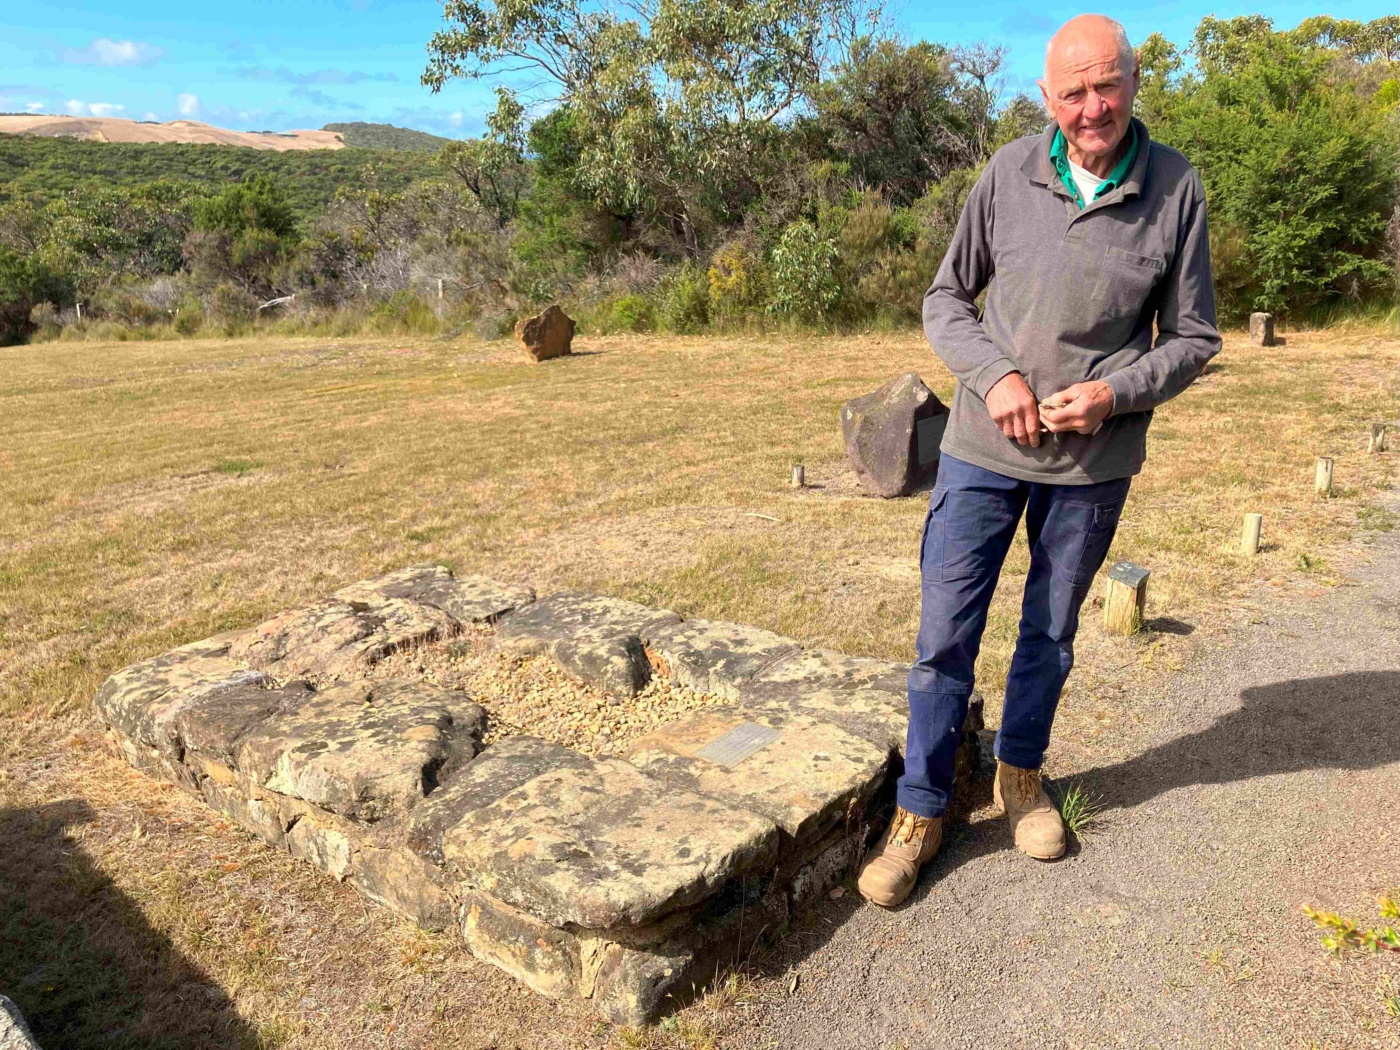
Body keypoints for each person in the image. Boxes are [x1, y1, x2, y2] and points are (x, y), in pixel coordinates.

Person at [857, 13, 1221, 907]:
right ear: (1045, 97)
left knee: (1049, 638)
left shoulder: (1176, 188)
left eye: (1109, 85)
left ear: (1134, 81)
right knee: (944, 636)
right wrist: (995, 375)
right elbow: (947, 299)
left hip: (1092, 467)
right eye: (1073, 92)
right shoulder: (1007, 172)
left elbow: (1196, 337)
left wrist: (1116, 392)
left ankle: (1020, 776)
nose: (1093, 107)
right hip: (982, 449)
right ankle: (923, 810)